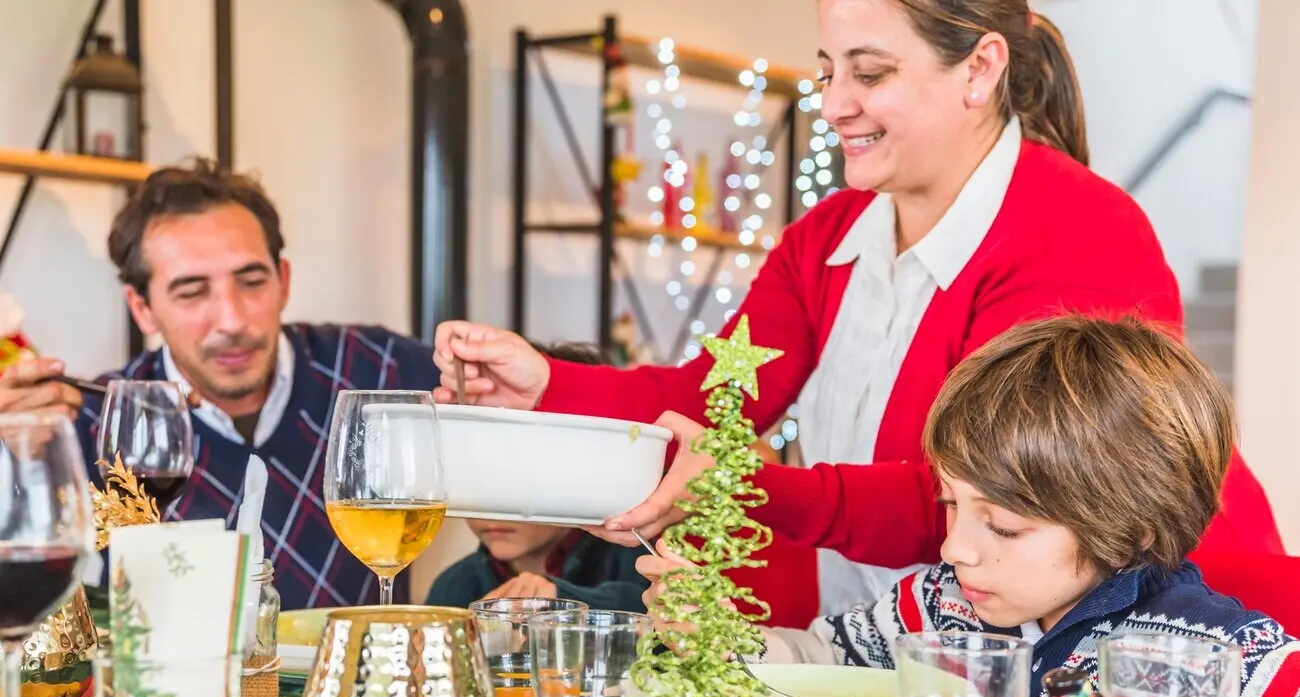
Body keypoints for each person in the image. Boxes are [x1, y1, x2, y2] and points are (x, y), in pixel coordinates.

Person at [430, 0, 1281, 622]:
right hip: (927, 638)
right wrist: (545, 384)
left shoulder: (1080, 232)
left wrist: (758, 488)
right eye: (830, 69)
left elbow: (1003, 495)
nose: (833, 103)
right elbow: (712, 398)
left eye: (870, 73)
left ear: (980, 70)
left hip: (1142, 643)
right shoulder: (828, 237)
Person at [641, 316, 1300, 697]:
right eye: (952, 504)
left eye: (1005, 525)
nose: (956, 547)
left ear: (1129, 533)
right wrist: (720, 640)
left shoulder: (1212, 650)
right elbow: (816, 662)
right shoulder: (936, 606)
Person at [0, 158, 438, 610]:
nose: (231, 320)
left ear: (282, 282)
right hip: (171, 681)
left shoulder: (379, 370)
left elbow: (504, 458)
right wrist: (1, 456)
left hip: (356, 678)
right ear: (142, 307)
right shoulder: (101, 418)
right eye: (191, 292)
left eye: (251, 282)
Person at [427, 342, 650, 612]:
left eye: (517, 476)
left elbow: (659, 617)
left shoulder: (645, 557)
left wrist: (564, 604)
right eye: (475, 474)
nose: (493, 505)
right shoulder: (453, 588)